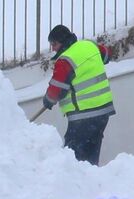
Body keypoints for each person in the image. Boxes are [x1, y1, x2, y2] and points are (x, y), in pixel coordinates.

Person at [36, 24, 115, 165]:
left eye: (54, 43)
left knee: (72, 160)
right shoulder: (89, 46)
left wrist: (48, 100)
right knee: (91, 155)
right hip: (103, 113)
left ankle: (76, 184)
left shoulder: (65, 60)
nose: (52, 48)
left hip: (83, 116)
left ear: (63, 41)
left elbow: (57, 90)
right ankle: (91, 182)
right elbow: (107, 55)